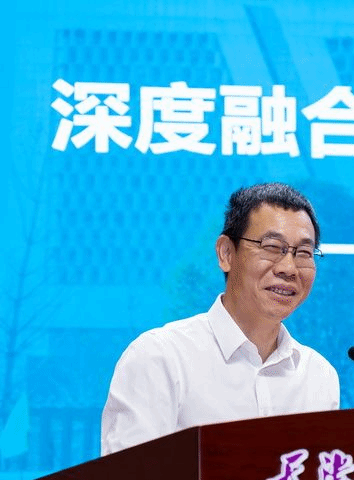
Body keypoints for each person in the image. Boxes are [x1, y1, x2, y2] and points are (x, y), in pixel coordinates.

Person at [101, 183, 339, 454]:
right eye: (272, 247)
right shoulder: (160, 358)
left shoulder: (319, 376)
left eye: (304, 253)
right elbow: (128, 477)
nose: (289, 268)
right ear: (226, 253)